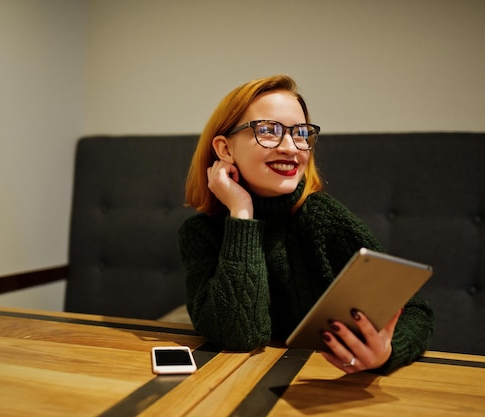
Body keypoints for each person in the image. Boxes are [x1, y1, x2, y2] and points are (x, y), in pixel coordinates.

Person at [178, 74, 434, 374]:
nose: (291, 147)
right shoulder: (200, 233)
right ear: (224, 149)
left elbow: (416, 310)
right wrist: (242, 213)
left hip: (320, 386)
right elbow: (240, 336)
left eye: (300, 133)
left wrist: (386, 353)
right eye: (269, 130)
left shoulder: (322, 218)